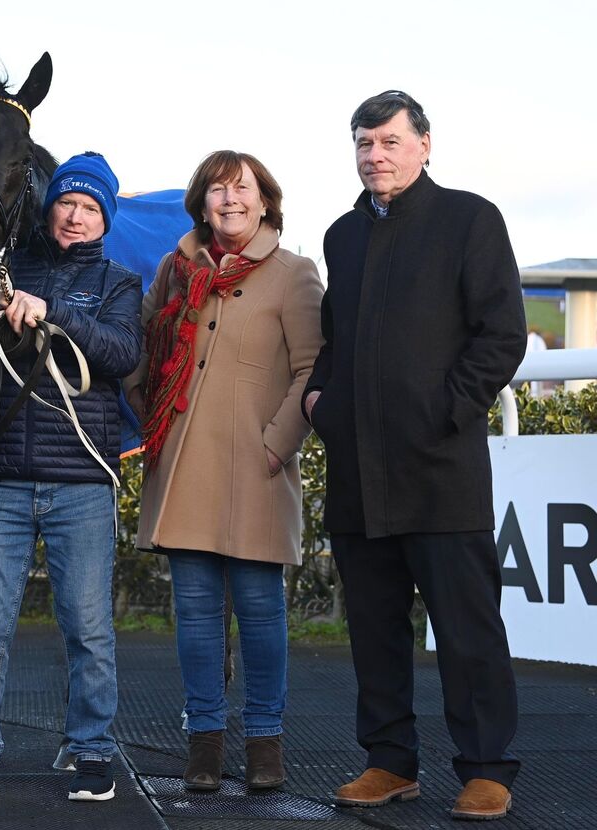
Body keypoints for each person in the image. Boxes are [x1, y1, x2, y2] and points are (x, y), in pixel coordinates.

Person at [303, 90, 526, 821]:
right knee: (373, 630)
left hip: (441, 472)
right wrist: (321, 404)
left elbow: (501, 336)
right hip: (358, 477)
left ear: (424, 145)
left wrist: (444, 414)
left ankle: (488, 767)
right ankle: (389, 762)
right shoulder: (343, 235)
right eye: (364, 144)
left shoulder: (471, 219)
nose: (375, 156)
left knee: (468, 632)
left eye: (390, 142)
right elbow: (334, 341)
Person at [0, 151, 143, 805]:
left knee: (88, 627)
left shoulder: (119, 282)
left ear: (104, 218)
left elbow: (121, 353)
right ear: (48, 205)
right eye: (68, 203)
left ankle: (90, 750)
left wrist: (53, 311)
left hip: (82, 481)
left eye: (90, 208)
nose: (76, 216)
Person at [125, 151, 324, 792]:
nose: (230, 199)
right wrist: (154, 418)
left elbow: (311, 371)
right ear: (201, 202)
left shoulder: (295, 274)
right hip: (184, 469)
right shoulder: (173, 269)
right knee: (195, 614)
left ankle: (266, 740)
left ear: (266, 201)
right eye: (217, 188)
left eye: (243, 189)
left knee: (263, 612)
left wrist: (277, 444)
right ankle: (203, 740)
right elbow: (143, 352)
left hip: (258, 466)